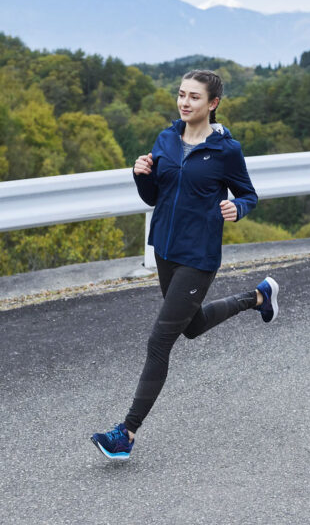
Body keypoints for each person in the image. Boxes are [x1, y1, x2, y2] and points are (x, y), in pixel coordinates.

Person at [91, 69, 279, 461]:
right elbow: (153, 196)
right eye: (181, 95)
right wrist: (140, 174)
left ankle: (125, 433)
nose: (184, 102)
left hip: (199, 256)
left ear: (212, 104)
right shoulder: (166, 139)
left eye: (194, 97)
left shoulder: (226, 150)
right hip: (165, 250)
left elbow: (249, 194)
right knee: (189, 328)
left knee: (161, 339)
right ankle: (258, 297)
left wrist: (237, 207)